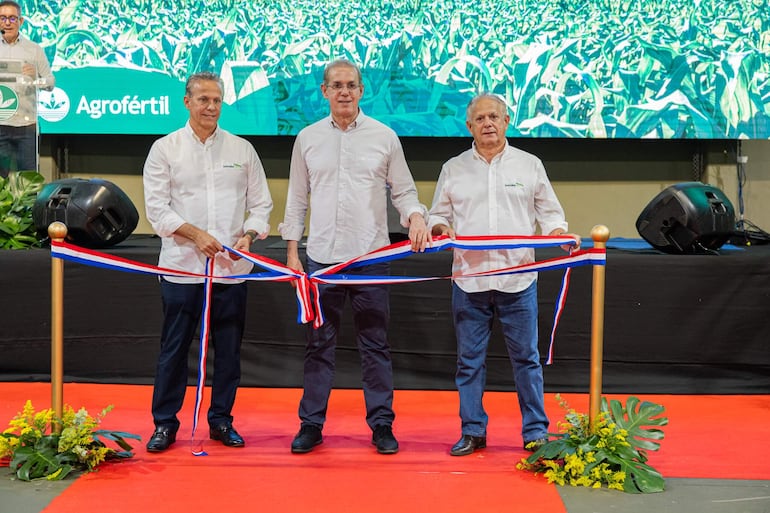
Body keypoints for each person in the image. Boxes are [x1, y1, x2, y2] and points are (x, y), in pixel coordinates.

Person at [279, 59, 430, 455]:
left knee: (375, 345)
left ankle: (381, 425)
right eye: (336, 85)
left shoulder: (384, 136)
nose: (344, 92)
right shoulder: (307, 138)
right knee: (318, 345)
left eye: (351, 85)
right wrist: (293, 251)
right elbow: (296, 199)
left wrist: (416, 216)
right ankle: (311, 425)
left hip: (371, 258)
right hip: (321, 261)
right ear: (324, 92)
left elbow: (404, 191)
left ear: (362, 91)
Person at [428, 93, 580, 456]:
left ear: (507, 121)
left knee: (527, 360)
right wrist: (438, 229)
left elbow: (551, 214)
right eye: (480, 119)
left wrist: (558, 233)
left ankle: (535, 432)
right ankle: (473, 431)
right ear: (469, 126)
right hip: (470, 281)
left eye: (494, 117)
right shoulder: (453, 168)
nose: (488, 124)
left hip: (519, 280)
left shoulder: (529, 165)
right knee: (468, 362)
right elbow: (438, 215)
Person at [142, 72, 273, 452]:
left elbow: (261, 204)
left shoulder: (241, 149)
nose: (211, 107)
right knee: (174, 349)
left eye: (216, 100)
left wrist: (249, 234)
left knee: (229, 352)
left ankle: (221, 421)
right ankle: (165, 424)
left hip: (231, 272)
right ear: (187, 102)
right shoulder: (165, 149)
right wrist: (195, 234)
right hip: (182, 269)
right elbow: (157, 211)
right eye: (203, 100)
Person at [0, 0, 54, 177]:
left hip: (26, 125)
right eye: (3, 18)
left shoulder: (34, 50)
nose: (7, 23)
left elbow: (50, 82)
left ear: (21, 21)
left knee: (28, 182)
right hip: (1, 123)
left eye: (12, 18)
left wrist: (35, 77)